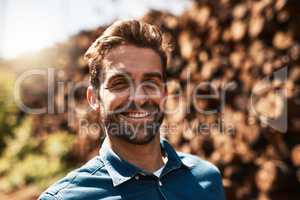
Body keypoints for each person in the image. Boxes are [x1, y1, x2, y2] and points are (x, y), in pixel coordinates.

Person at [39, 20, 226, 200]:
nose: (139, 97)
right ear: (94, 98)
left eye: (150, 83)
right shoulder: (65, 197)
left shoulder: (208, 179)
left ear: (164, 93)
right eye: (120, 83)